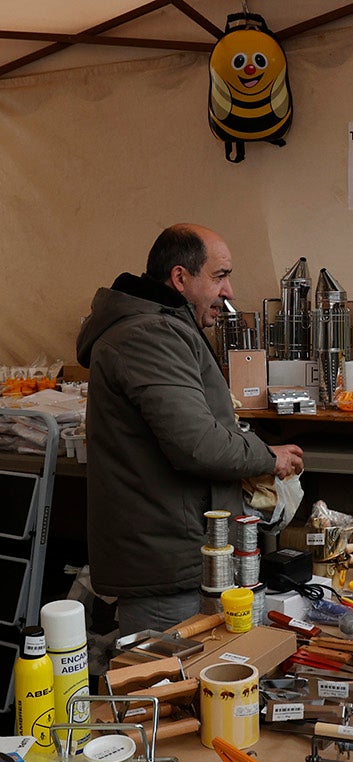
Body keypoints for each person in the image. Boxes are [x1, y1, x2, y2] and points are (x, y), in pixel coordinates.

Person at [77, 223, 304, 635]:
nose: (230, 292)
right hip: (165, 570)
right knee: (163, 688)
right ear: (181, 278)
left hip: (178, 556)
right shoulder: (150, 334)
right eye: (219, 277)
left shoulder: (162, 327)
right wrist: (268, 457)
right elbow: (198, 445)